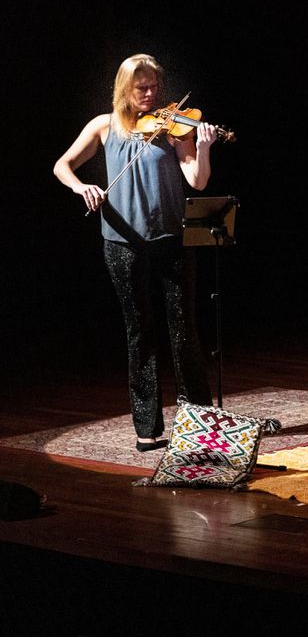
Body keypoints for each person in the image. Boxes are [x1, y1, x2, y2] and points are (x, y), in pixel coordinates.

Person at [53, 54, 217, 451]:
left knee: (184, 332)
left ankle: (199, 427)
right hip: (122, 242)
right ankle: (147, 430)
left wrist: (204, 146)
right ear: (124, 89)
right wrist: (82, 187)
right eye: (140, 88)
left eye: (154, 87)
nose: (149, 94)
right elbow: (63, 165)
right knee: (139, 333)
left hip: (171, 239)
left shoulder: (174, 128)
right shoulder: (104, 126)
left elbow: (197, 180)